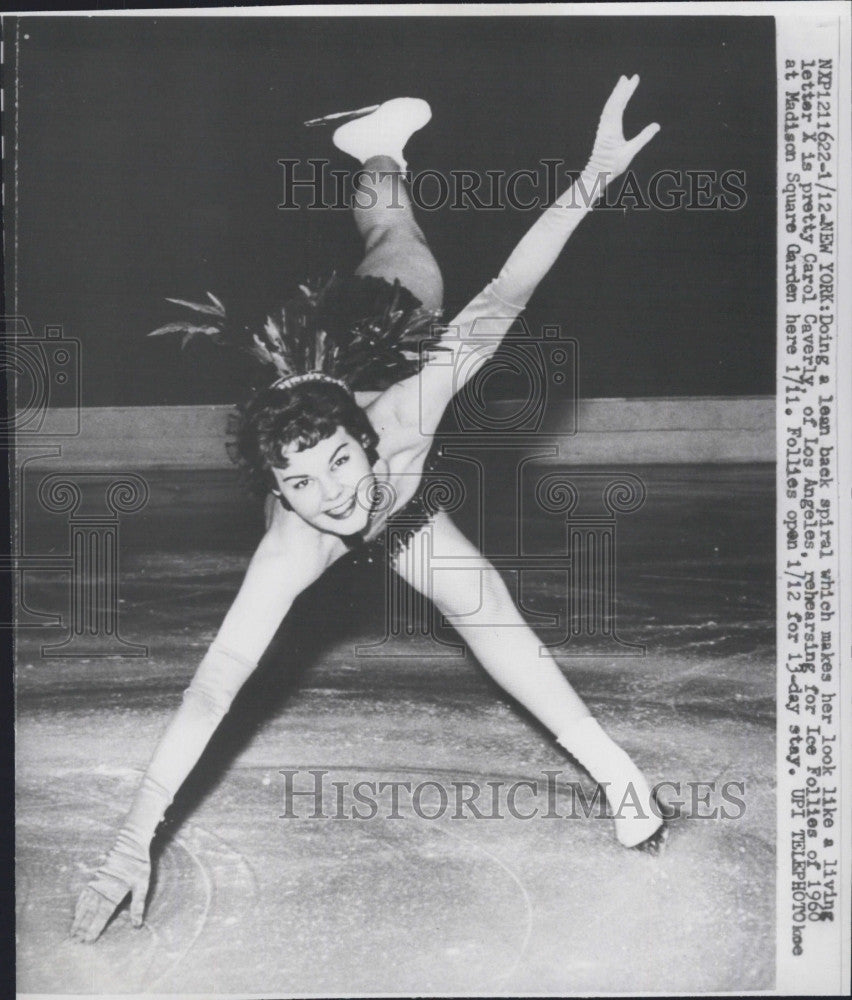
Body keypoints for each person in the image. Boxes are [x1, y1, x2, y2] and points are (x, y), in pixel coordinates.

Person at [71, 76, 663, 944]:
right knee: (468, 590)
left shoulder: (407, 411)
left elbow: (506, 294)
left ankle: (376, 145)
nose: (337, 496)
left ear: (368, 439)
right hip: (319, 416)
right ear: (277, 489)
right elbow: (213, 687)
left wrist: (594, 178)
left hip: (378, 327)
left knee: (396, 236)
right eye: (305, 485)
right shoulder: (294, 540)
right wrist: (134, 835)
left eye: (343, 464)